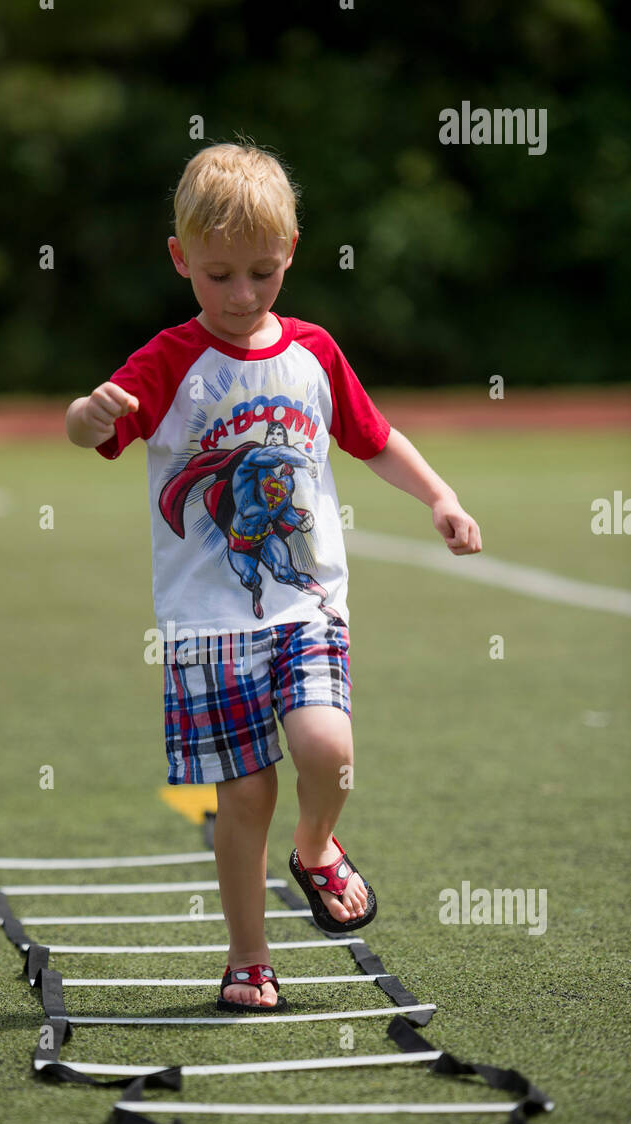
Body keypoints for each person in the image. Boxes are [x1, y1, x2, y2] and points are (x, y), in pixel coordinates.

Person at [66, 141, 481, 1011]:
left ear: (290, 253)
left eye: (262, 271)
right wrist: (86, 412)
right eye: (219, 275)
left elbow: (372, 438)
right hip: (204, 620)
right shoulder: (169, 359)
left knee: (326, 750)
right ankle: (248, 957)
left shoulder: (315, 352)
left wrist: (438, 495)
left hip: (306, 602)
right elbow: (92, 429)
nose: (242, 294)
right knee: (244, 792)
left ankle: (318, 848)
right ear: (181, 260)